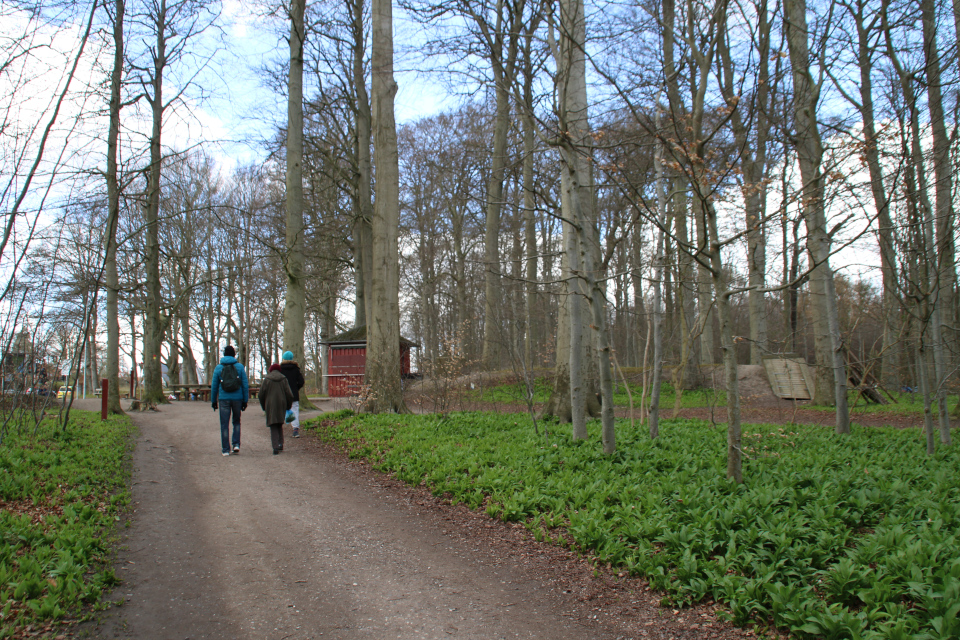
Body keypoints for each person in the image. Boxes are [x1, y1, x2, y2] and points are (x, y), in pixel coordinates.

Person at [211, 345, 249, 456]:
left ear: (224, 354)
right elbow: (245, 385)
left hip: (224, 399)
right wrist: (245, 400)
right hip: (237, 399)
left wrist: (214, 401)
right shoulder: (240, 367)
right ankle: (236, 444)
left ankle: (225, 450)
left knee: (224, 424)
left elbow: (214, 386)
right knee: (236, 422)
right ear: (234, 355)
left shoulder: (218, 368)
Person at [260, 364, 294, 454]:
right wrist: (288, 405)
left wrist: (264, 406)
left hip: (270, 404)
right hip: (282, 403)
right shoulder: (284, 379)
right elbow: (289, 394)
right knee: (279, 423)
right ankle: (280, 444)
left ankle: (275, 446)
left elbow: (261, 394)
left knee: (273, 424)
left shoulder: (267, 379)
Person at [279, 350, 305, 437]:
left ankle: (279, 430)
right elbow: (301, 381)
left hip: (282, 394)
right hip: (293, 394)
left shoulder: (280, 369)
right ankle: (295, 429)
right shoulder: (296, 369)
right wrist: (295, 388)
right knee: (295, 411)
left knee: (281, 410)